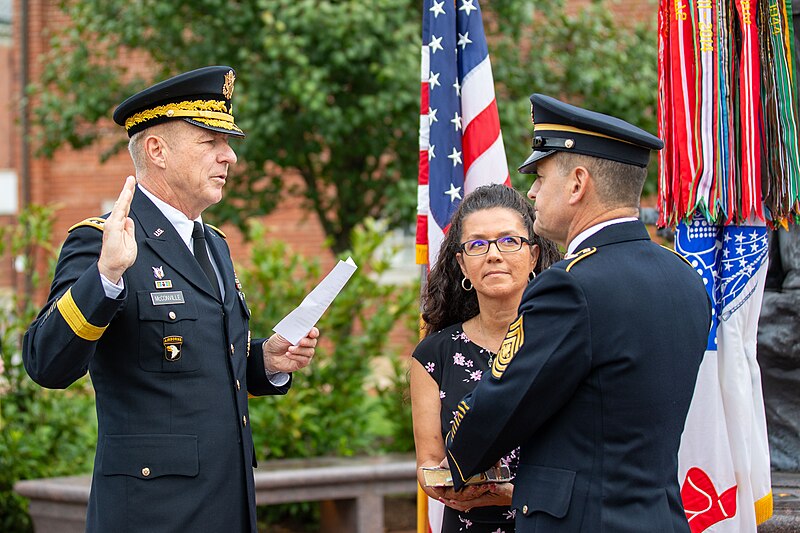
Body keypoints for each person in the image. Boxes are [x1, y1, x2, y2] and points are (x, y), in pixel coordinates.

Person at [22, 66, 319, 533]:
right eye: (210, 143)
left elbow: (199, 361)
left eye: (229, 143)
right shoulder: (104, 241)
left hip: (228, 502)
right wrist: (106, 276)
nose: (231, 157)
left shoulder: (213, 244)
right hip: (152, 513)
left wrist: (267, 360)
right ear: (157, 150)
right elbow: (46, 363)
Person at [443, 94, 712, 532]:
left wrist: (458, 448)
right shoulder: (683, 275)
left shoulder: (570, 285)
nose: (531, 193)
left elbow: (495, 412)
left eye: (541, 176)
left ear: (577, 183)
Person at [411, 184, 561, 532]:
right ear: (462, 263)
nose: (493, 254)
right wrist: (442, 484)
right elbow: (429, 463)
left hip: (548, 522)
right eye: (477, 244)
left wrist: (516, 493)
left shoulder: (563, 340)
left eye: (509, 241)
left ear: (534, 256)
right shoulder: (434, 355)